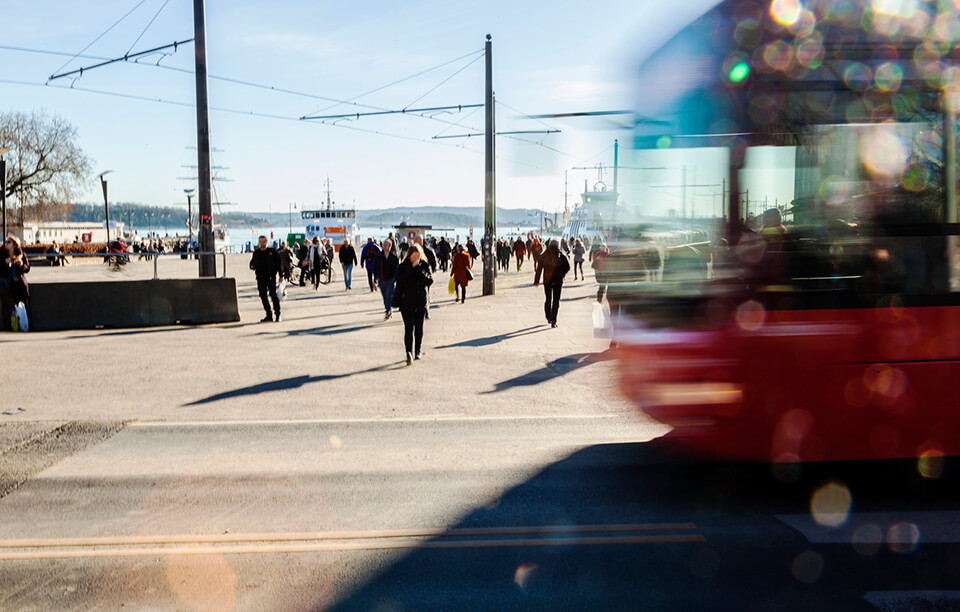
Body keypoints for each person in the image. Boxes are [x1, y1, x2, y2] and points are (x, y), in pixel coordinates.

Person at [393, 243, 434, 365]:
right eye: (414, 256)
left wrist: (418, 269)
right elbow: (399, 279)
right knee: (409, 328)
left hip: (420, 302)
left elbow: (429, 281)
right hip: (406, 303)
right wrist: (411, 268)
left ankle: (418, 350)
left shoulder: (424, 265)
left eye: (418, 256)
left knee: (419, 329)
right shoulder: (403, 266)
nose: (416, 258)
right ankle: (408, 352)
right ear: (409, 255)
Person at [249, 235, 282, 322]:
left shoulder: (272, 252)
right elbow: (252, 263)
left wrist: (281, 276)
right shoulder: (256, 253)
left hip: (271, 277)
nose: (262, 243)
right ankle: (269, 314)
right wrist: (252, 266)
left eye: (264, 241)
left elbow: (278, 264)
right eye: (260, 241)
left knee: (273, 295)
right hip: (260, 278)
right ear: (259, 242)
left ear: (266, 242)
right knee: (263, 296)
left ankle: (278, 314)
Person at [1, 235, 30, 330]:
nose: (6, 243)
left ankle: (23, 323)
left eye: (8, 242)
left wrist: (21, 265)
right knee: (7, 303)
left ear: (14, 244)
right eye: (5, 242)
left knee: (21, 302)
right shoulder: (1, 253)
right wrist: (4, 263)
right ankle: (8, 324)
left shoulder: (20, 254)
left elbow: (27, 268)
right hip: (7, 284)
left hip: (18, 284)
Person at [540, 239, 570, 328]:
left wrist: (537, 279)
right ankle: (554, 320)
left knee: (548, 298)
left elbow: (539, 266)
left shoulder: (545, 254)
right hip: (558, 280)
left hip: (547, 280)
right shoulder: (561, 254)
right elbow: (567, 267)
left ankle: (548, 316)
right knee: (556, 300)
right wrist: (562, 274)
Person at [374, 238, 399, 320]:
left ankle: (388, 310)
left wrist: (395, 278)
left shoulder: (394, 257)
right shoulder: (378, 256)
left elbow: (397, 268)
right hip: (381, 280)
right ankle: (388, 309)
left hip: (390, 280)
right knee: (385, 297)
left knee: (388, 295)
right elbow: (375, 267)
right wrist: (376, 277)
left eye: (386, 245)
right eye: (383, 245)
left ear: (390, 246)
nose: (384, 246)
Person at [414, 236, 437, 318]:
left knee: (426, 293)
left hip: (424, 276)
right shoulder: (412, 251)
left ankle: (426, 310)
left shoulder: (427, 251)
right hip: (414, 277)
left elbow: (433, 261)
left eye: (418, 241)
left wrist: (433, 269)